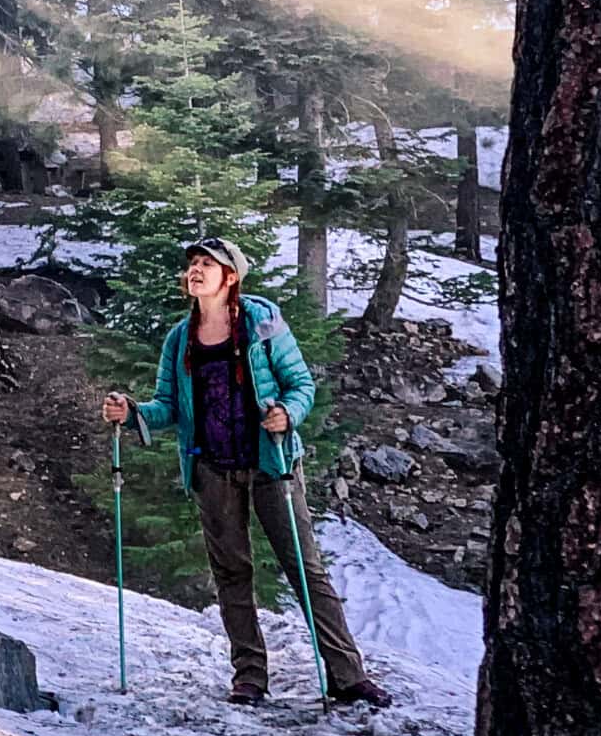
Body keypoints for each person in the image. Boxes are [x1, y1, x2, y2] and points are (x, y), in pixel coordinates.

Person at [101, 236, 393, 710]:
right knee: (232, 573)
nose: (195, 271)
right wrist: (132, 412)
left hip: (271, 463)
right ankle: (250, 677)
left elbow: (301, 384)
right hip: (213, 469)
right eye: (192, 264)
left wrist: (287, 415)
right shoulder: (181, 339)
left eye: (206, 265)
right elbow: (169, 407)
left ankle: (347, 675)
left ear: (230, 277)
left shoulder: (262, 322)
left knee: (305, 570)